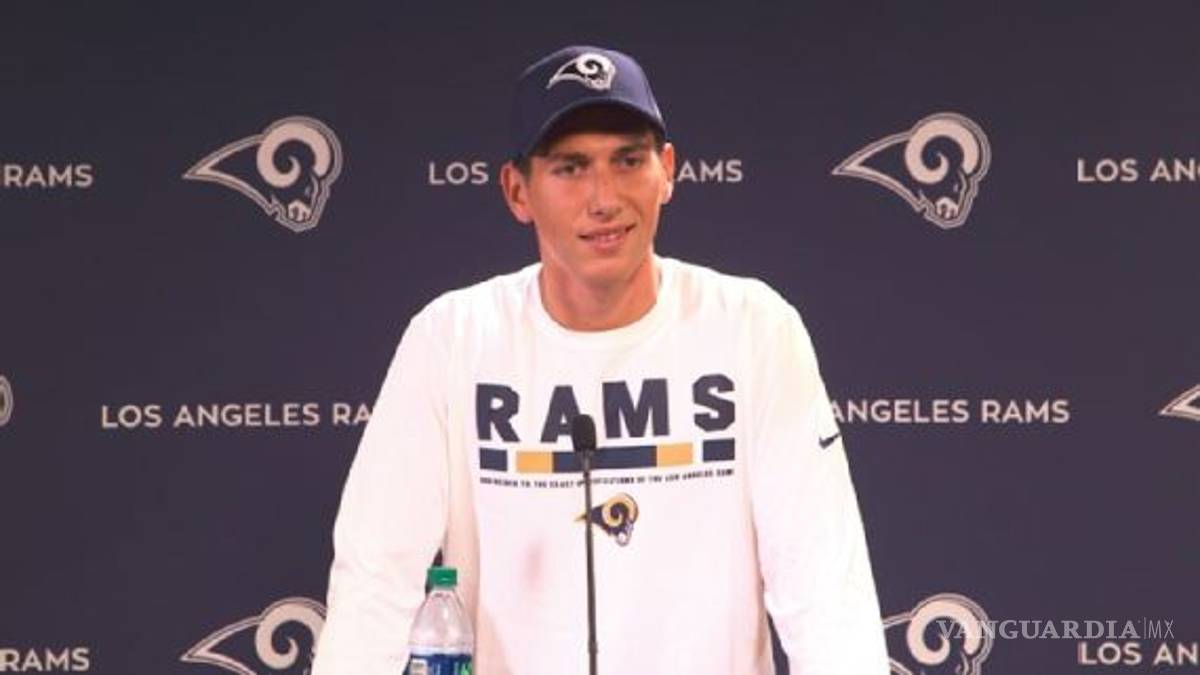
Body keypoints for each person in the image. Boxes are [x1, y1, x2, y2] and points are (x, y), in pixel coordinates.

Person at [312, 45, 890, 675]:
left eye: (628, 161)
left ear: (667, 171)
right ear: (517, 191)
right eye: (571, 168)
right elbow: (375, 582)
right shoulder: (452, 338)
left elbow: (824, 588)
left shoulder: (753, 328)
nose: (604, 198)